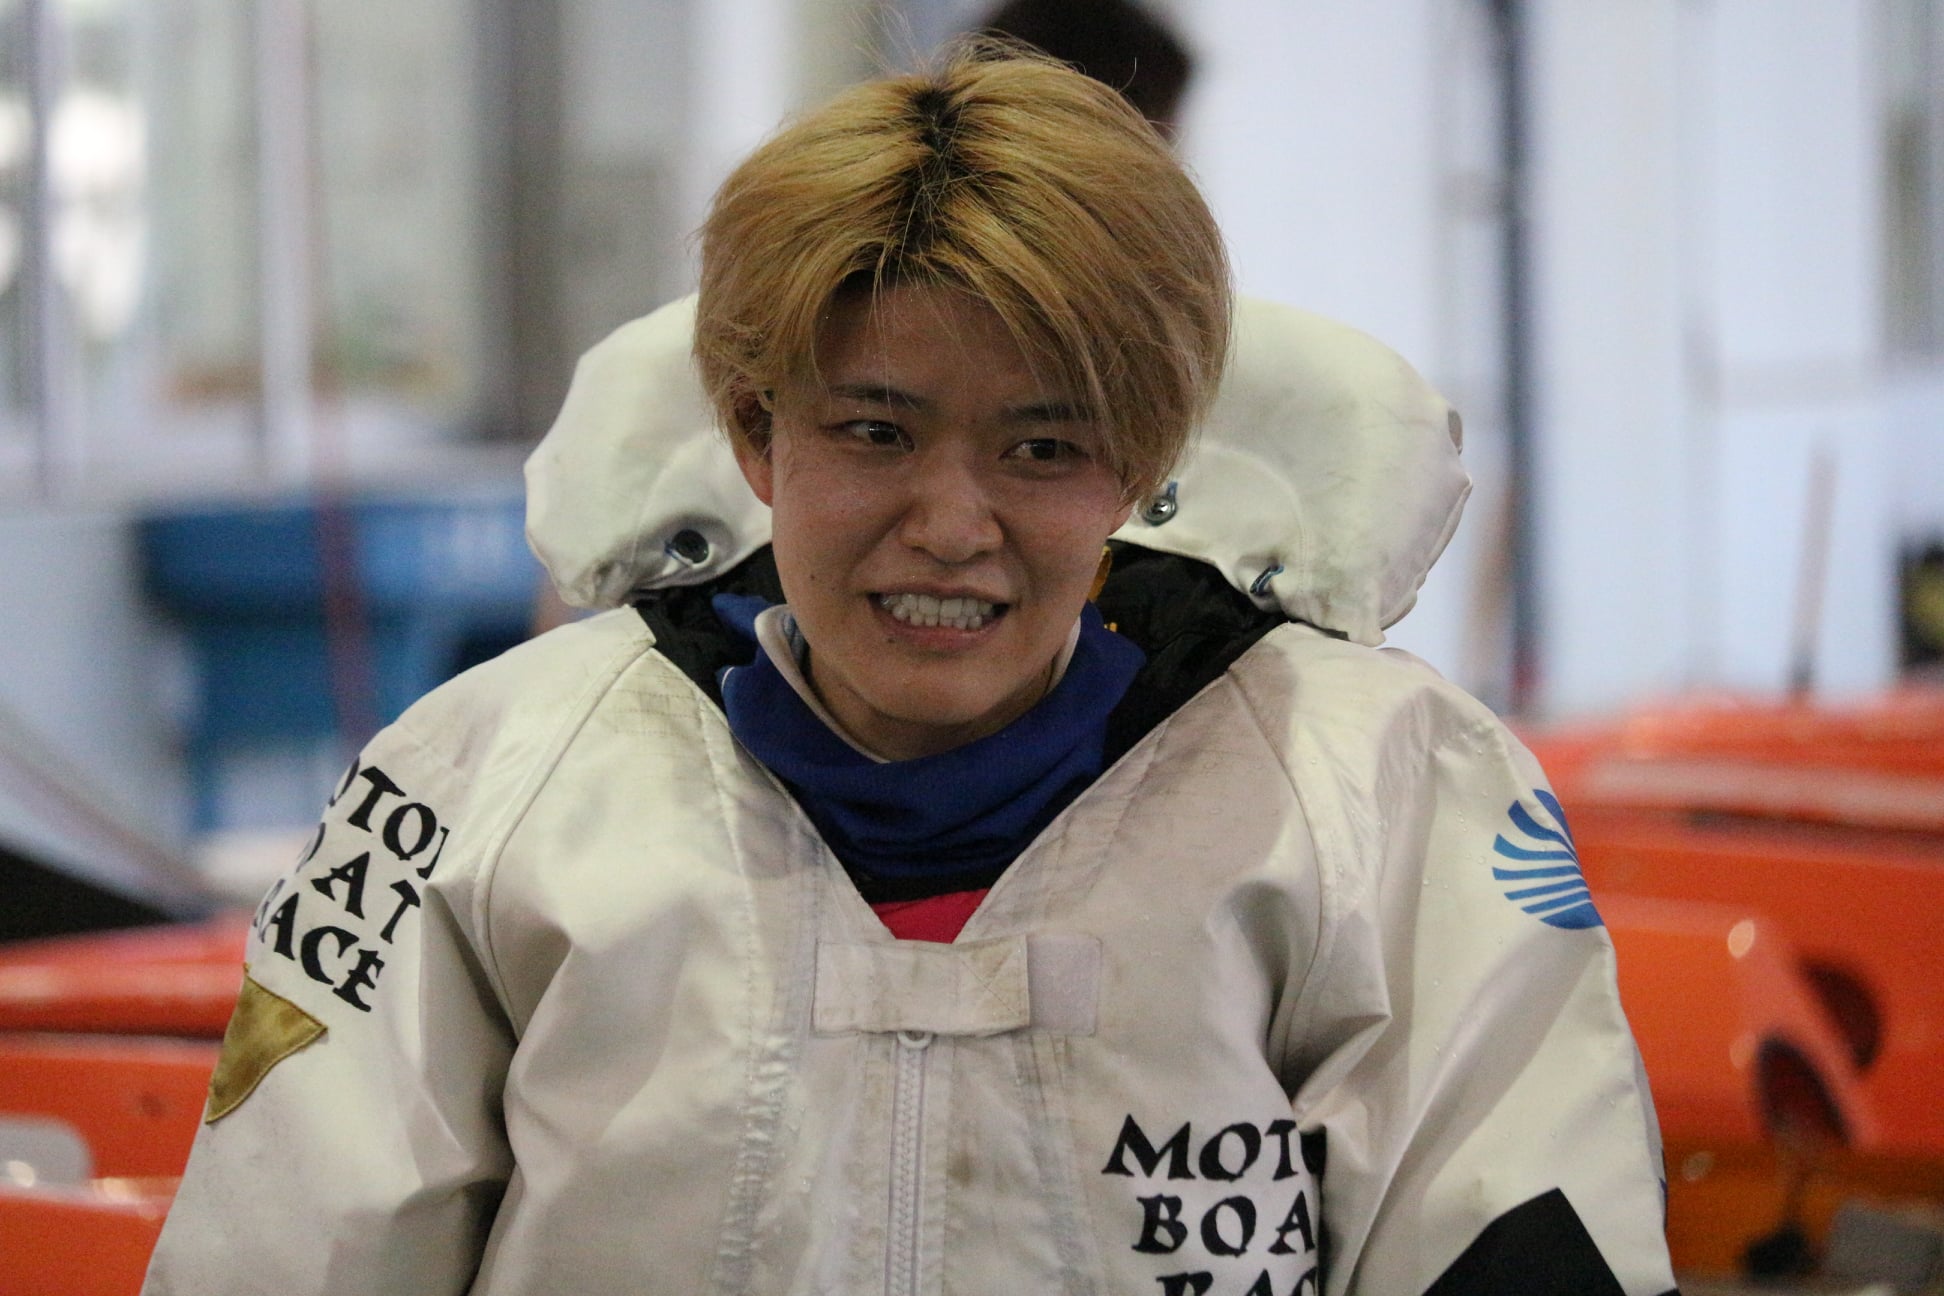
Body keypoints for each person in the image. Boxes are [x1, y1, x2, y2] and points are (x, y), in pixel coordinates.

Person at [144, 45, 1677, 1296]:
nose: (951, 526)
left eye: (1044, 448)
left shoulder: (1386, 797)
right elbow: (279, 1252)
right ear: (758, 434)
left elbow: (1520, 1236)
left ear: (1142, 465)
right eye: (875, 431)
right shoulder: (480, 791)